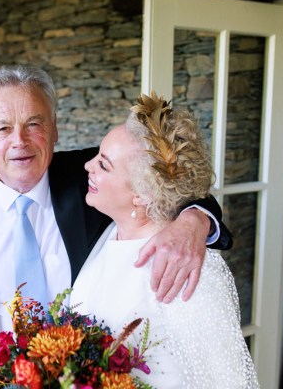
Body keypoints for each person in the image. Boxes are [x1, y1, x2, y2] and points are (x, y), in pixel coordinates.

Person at [0, 65, 232, 388]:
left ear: (54, 128)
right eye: (3, 128)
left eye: (33, 124)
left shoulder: (94, 180)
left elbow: (174, 181)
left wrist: (194, 220)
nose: (19, 141)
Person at [69, 92, 258, 388]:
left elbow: (225, 379)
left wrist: (197, 217)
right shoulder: (110, 231)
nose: (87, 166)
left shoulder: (186, 264)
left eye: (104, 164)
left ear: (143, 194)